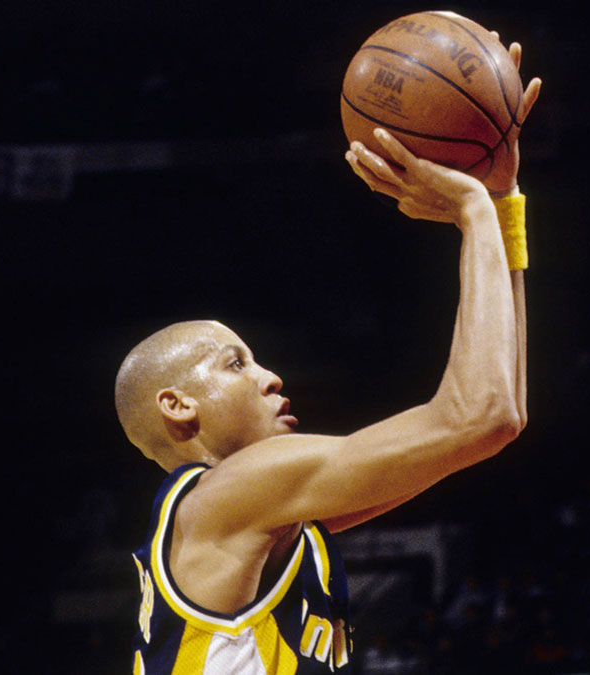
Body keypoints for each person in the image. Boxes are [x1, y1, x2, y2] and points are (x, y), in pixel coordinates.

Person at [115, 41, 542, 675]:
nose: (270, 376)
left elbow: (503, 411)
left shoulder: (277, 518)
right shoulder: (228, 493)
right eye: (236, 364)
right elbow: (481, 417)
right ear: (178, 406)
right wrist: (473, 212)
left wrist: (504, 207)